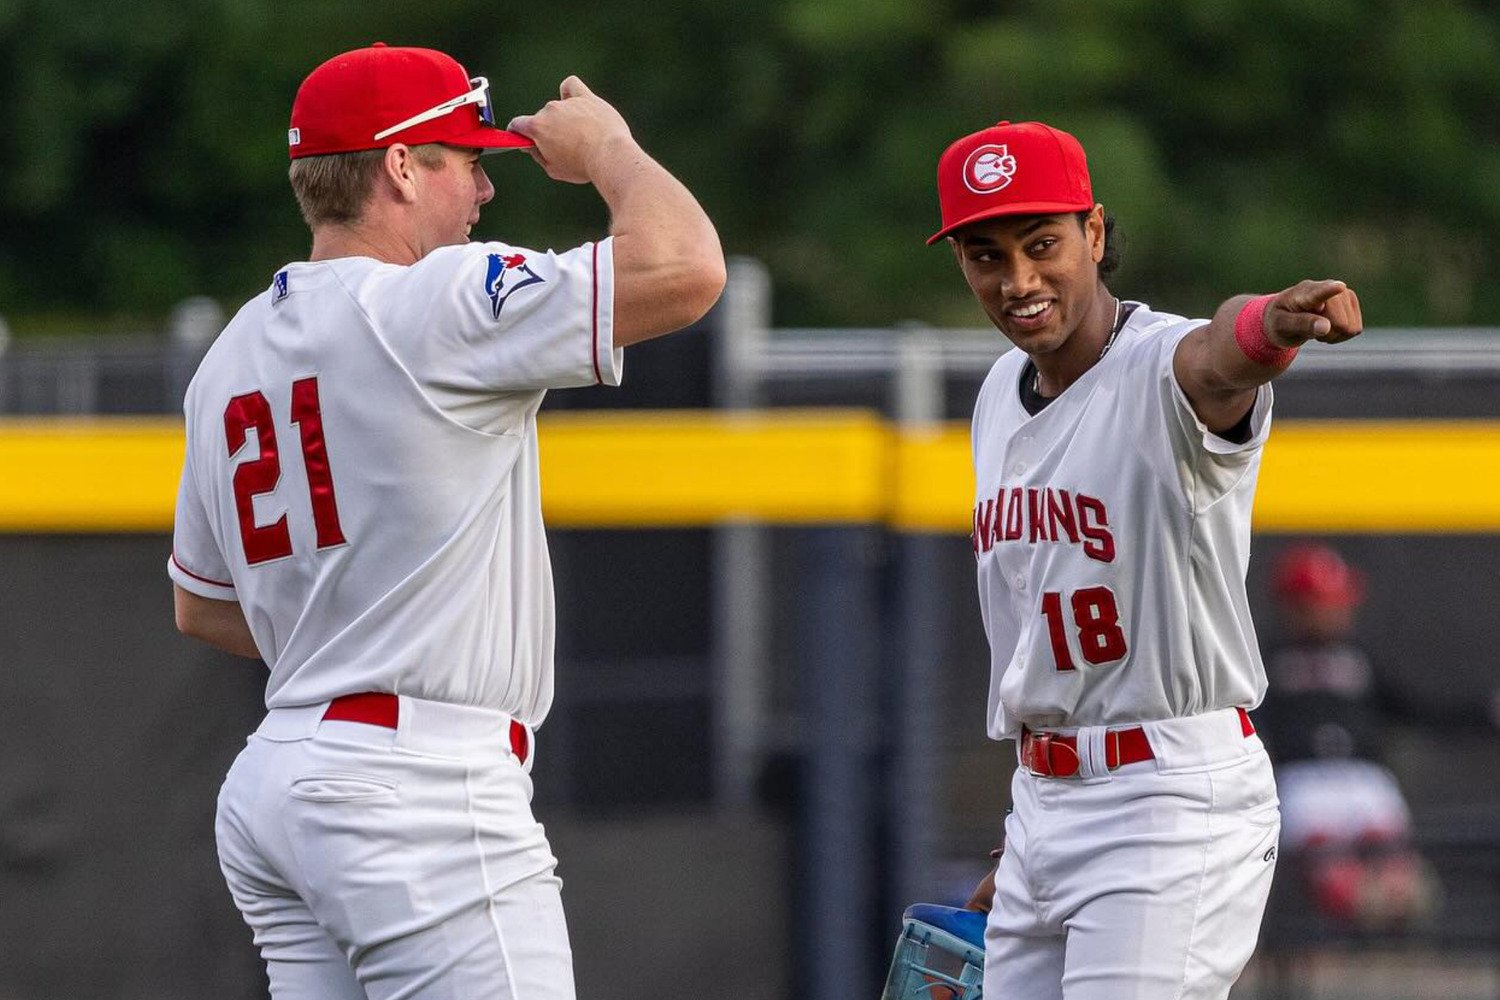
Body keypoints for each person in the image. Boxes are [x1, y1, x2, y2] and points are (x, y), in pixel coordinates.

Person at [167, 43, 723, 1000]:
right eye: (464, 159)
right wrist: (611, 150)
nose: (483, 190)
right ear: (398, 165)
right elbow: (685, 267)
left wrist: (350, 630)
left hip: (280, 779)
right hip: (414, 788)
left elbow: (202, 608)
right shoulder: (437, 299)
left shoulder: (229, 354)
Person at [931, 119, 1362, 999]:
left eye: (1041, 243)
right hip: (1046, 802)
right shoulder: (994, 397)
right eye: (986, 254)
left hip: (1169, 797)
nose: (1018, 280)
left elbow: (1220, 359)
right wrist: (1029, 840)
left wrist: (1273, 325)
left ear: (1094, 233)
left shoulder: (1160, 364)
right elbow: (1030, 626)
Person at [1260, 543, 1438, 929]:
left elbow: (1415, 708)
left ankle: (1390, 911)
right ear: (1294, 606)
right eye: (1323, 601)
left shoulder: (1359, 657)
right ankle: (1353, 911)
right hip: (1302, 777)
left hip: (1362, 774)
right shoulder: (1267, 660)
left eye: (1339, 600)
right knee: (1325, 848)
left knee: (1391, 850)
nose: (1337, 610)